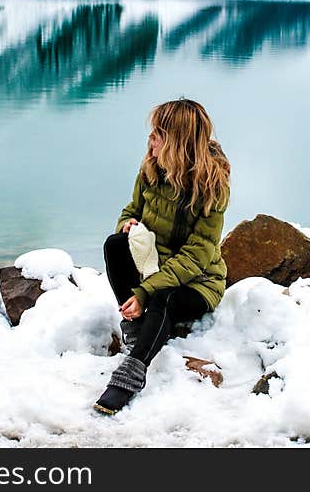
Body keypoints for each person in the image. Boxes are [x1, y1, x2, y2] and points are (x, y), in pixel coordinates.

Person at [94, 99, 231, 415]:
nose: (150, 139)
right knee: (115, 244)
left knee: (163, 299)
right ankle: (138, 328)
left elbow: (196, 257)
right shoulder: (151, 168)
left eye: (158, 133)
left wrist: (144, 291)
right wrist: (127, 225)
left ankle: (132, 370)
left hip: (197, 282)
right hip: (154, 266)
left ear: (178, 141)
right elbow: (132, 210)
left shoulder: (211, 187)